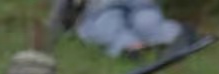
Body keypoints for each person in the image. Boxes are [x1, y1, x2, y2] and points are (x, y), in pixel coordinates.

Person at [46, 0, 189, 59]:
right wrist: (55, 26)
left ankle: (170, 34)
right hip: (102, 8)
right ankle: (131, 46)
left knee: (145, 20)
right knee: (108, 26)